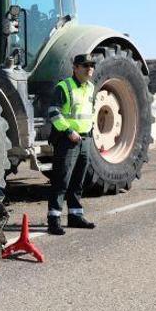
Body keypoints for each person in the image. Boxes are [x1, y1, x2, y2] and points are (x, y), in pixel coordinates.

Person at [46, 53, 98, 235]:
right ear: (75, 68)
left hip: (85, 140)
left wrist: (89, 134)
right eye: (85, 65)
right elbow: (53, 113)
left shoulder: (91, 88)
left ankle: (75, 216)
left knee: (78, 182)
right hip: (67, 140)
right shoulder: (64, 87)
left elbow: (89, 113)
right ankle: (54, 220)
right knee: (61, 180)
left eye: (91, 65)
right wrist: (68, 131)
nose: (89, 68)